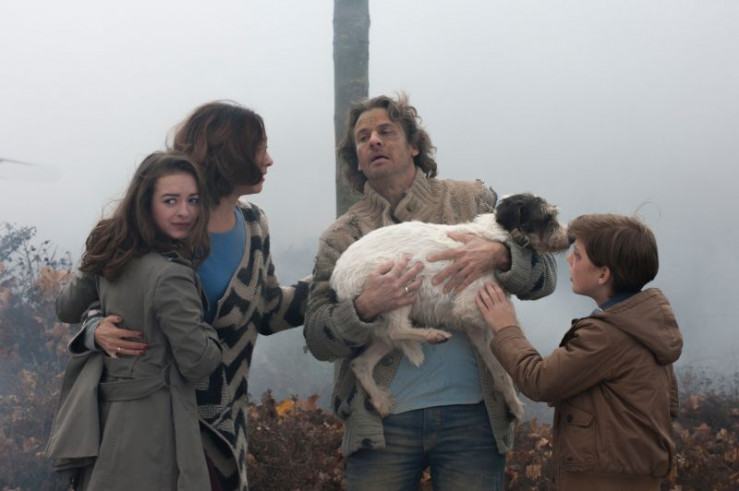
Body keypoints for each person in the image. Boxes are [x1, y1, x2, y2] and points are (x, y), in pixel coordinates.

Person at [304, 93, 558, 490]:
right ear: (357, 159)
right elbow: (319, 338)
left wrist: (502, 254)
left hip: (474, 420)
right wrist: (364, 306)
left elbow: (547, 277)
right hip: (383, 426)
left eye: (386, 131)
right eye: (363, 137)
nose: (373, 141)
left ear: (414, 146)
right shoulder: (341, 236)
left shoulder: (474, 200)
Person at [56, 101, 310, 491]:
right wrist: (94, 328)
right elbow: (106, 295)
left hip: (224, 428)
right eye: (260, 149)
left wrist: (340, 284)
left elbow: (270, 309)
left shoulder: (254, 224)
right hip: (154, 422)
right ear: (230, 155)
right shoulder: (158, 228)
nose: (269, 160)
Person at [47, 151, 223, 490]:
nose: (185, 212)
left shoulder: (112, 251)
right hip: (153, 429)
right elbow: (198, 362)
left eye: (193, 200)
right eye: (170, 201)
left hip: (105, 421)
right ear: (145, 203)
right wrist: (211, 332)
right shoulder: (170, 275)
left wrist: (93, 323)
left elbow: (67, 308)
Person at [477, 214, 682, 490]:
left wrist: (505, 328)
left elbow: (539, 381)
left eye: (578, 255)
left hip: (601, 480)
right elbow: (666, 406)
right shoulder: (645, 323)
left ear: (603, 274)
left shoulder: (608, 334)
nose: (569, 259)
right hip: (632, 475)